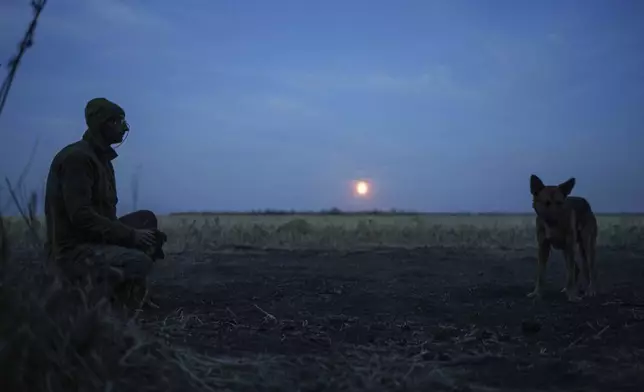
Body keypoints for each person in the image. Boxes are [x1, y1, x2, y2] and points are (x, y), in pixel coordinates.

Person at [44, 97, 167, 311]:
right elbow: (81, 217)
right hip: (73, 250)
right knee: (139, 262)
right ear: (105, 124)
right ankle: (104, 301)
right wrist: (131, 236)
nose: (125, 127)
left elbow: (104, 217)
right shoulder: (78, 159)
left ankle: (134, 293)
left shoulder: (101, 160)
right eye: (119, 121)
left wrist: (135, 234)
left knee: (146, 219)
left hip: (94, 239)